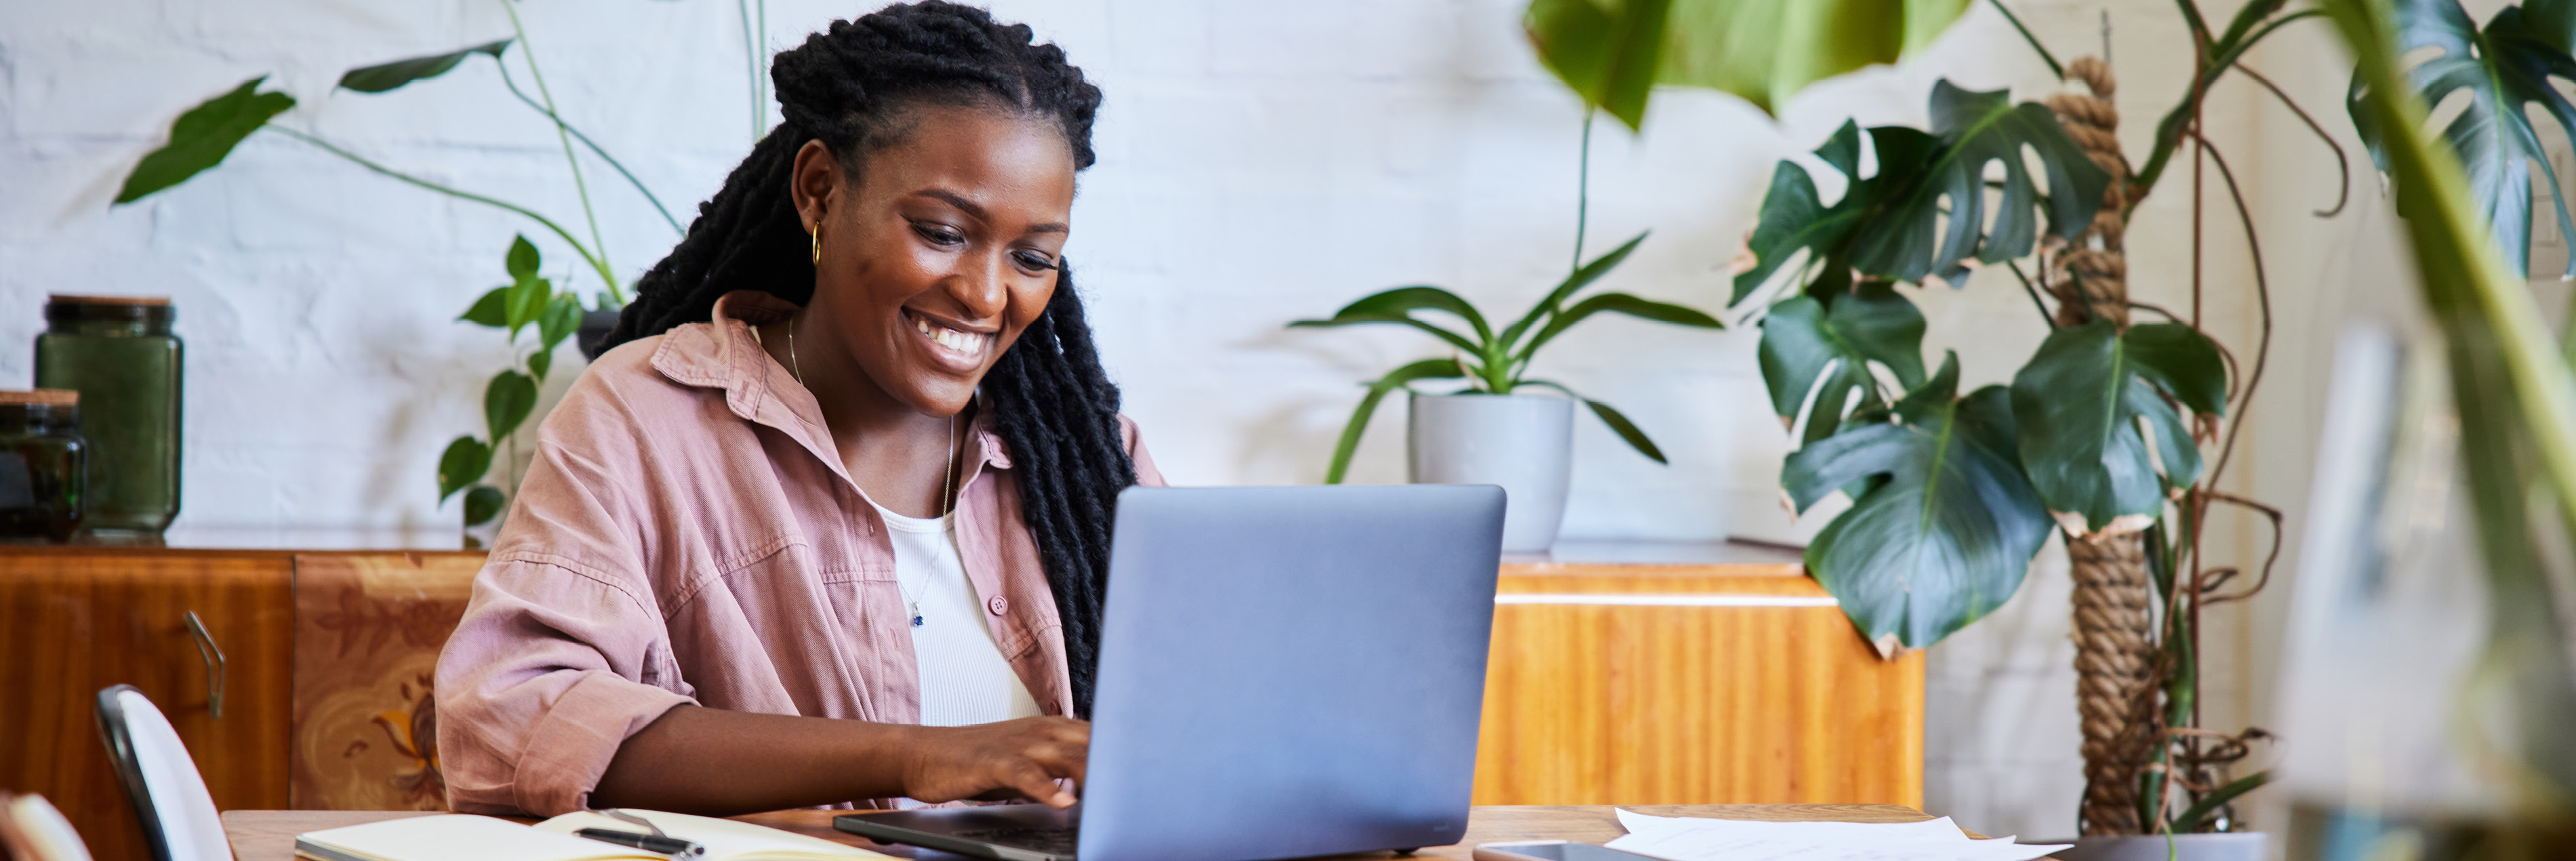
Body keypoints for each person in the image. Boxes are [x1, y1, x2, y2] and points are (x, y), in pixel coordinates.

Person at [433, 1, 1160, 817]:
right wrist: (920, 758)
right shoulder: (646, 418)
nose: (986, 294)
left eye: (1032, 257)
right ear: (819, 190)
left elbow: (1202, 720)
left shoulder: (1086, 463)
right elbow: (513, 715)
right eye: (942, 231)